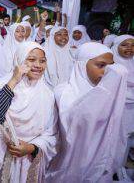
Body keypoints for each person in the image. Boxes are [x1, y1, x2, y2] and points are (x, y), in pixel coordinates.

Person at [46, 42, 128, 182]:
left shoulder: (109, 93)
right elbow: (76, 123)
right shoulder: (64, 92)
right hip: (70, 165)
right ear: (81, 65)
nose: (107, 72)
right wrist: (104, 93)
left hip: (100, 165)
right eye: (101, 65)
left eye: (111, 67)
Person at [0, 42, 57, 182]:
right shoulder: (6, 85)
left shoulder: (47, 93)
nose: (38, 65)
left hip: (32, 157)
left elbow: (51, 132)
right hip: (7, 155)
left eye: (42, 61)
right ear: (19, 60)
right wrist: (14, 79)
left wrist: (32, 147)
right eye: (31, 60)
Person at [112, 35, 134, 179]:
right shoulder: (110, 65)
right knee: (116, 139)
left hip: (131, 110)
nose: (130, 49)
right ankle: (112, 169)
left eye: (132, 46)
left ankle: (120, 167)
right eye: (125, 45)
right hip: (116, 108)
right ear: (116, 46)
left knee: (126, 140)